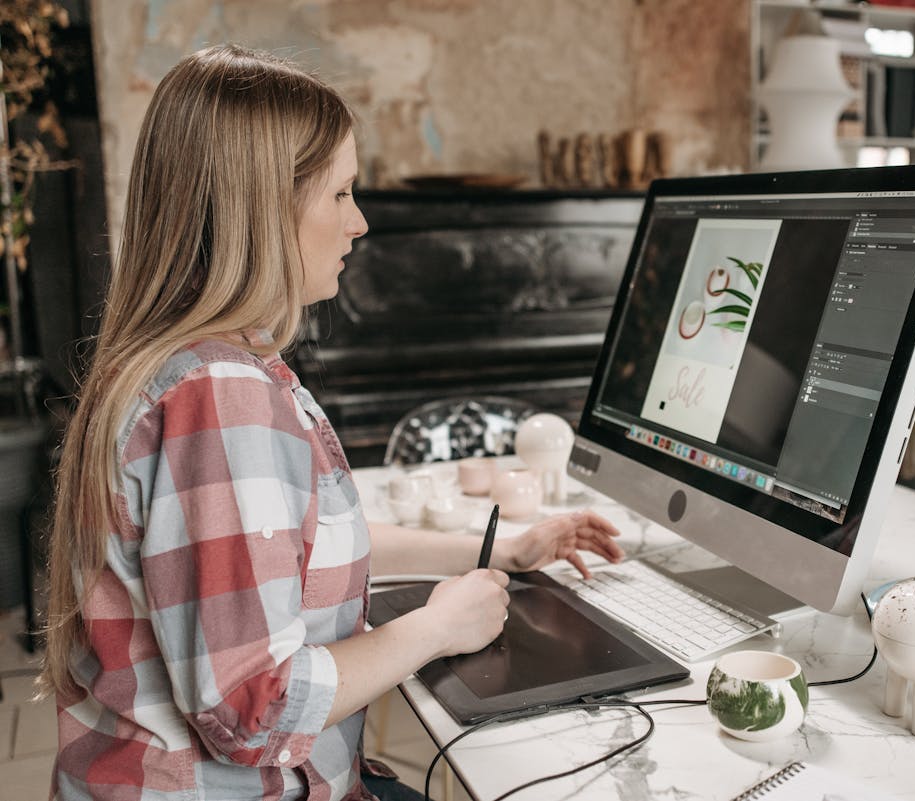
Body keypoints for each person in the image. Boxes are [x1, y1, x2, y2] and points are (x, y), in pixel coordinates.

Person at [42, 44, 624, 801]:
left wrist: (500, 548)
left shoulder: (196, 364)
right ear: (263, 206)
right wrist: (435, 629)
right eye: (342, 193)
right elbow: (253, 709)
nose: (361, 222)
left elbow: (285, 551)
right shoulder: (217, 396)